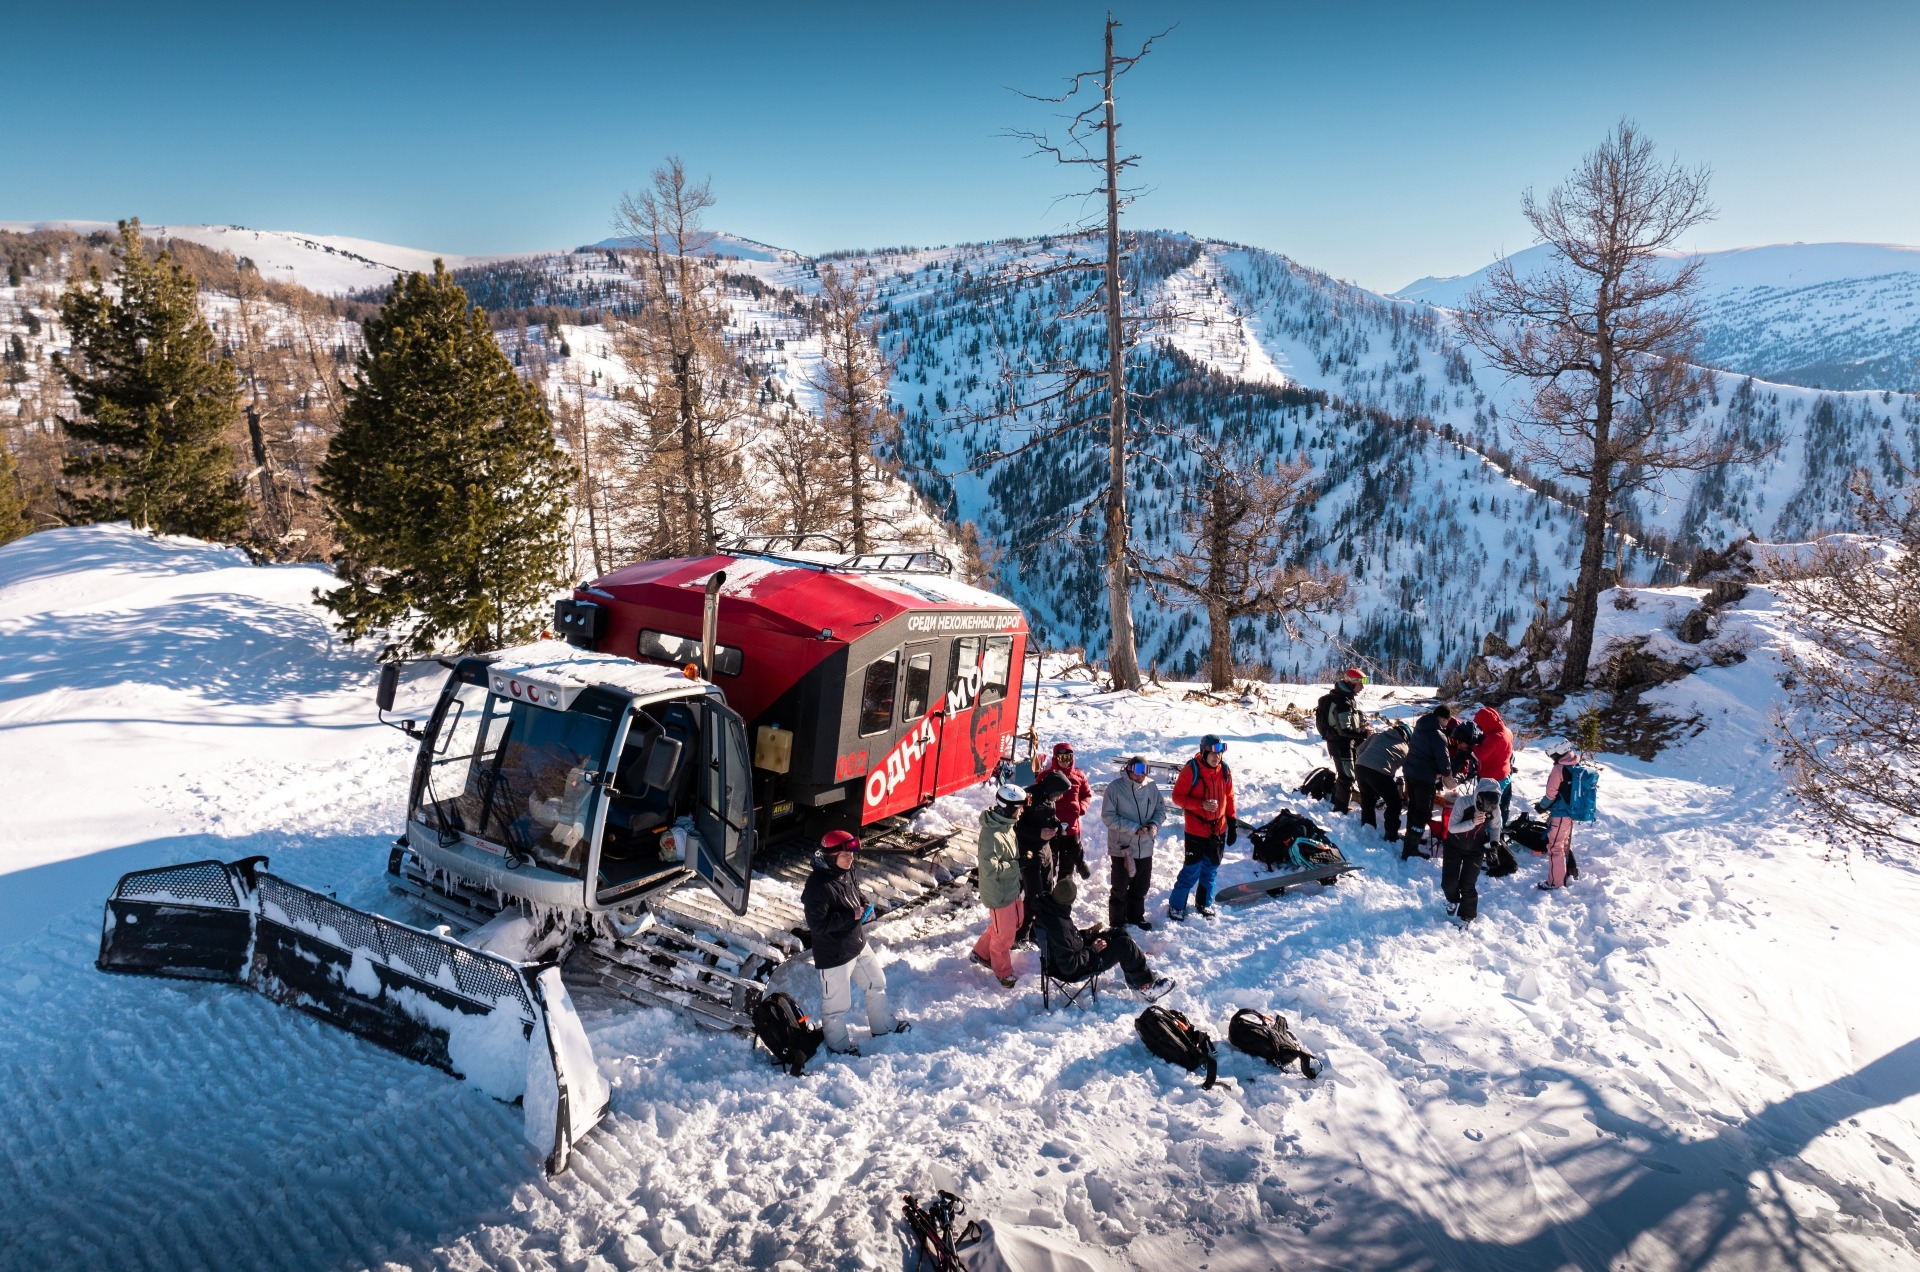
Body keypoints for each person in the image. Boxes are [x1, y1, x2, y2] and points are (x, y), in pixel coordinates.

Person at [801, 829, 908, 1054]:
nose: (850, 858)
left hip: (857, 943)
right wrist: (852, 915)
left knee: (876, 983)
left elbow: (855, 894)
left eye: (851, 854)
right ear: (831, 857)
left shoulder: (846, 870)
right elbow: (817, 926)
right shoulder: (816, 887)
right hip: (834, 954)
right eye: (844, 855)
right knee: (836, 1006)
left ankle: (883, 1026)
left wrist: (864, 905)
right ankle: (838, 1046)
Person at [1028, 875, 1173, 1000]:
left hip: (1075, 956)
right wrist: (1093, 949)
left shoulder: (1050, 911)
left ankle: (1136, 979)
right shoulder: (1059, 925)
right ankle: (1146, 988)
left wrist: (1085, 935)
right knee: (1124, 945)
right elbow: (1069, 966)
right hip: (1077, 968)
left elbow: (1065, 941)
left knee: (1118, 933)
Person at [1169, 734, 1236, 920]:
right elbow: (1177, 797)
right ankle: (1176, 906)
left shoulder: (1225, 771)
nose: (1217, 758)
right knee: (1191, 872)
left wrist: (1232, 823)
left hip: (1218, 831)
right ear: (1203, 752)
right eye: (1213, 754)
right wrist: (1201, 805)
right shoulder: (1191, 770)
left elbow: (1230, 797)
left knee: (1210, 870)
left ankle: (1204, 903)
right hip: (1196, 832)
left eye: (1220, 754)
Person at [970, 784, 1027, 987]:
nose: (1022, 811)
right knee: (1004, 936)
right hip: (998, 893)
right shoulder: (991, 836)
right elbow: (989, 870)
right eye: (1020, 807)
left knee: (1014, 923)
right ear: (1009, 807)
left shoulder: (1006, 826)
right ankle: (1002, 972)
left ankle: (981, 952)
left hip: (1009, 887)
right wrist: (1016, 865)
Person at [1100, 756, 1164, 931]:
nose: (1142, 774)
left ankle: (1136, 917)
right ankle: (1117, 922)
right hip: (1123, 847)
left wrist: (1154, 825)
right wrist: (1133, 828)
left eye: (1146, 769)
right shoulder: (1115, 788)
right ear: (1129, 769)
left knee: (1141, 887)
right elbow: (1108, 816)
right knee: (1120, 888)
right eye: (1138, 769)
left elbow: (1160, 809)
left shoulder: (1151, 786)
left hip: (1145, 846)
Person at [1442, 777, 1505, 923]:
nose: (1488, 807)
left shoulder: (1495, 809)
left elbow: (1496, 827)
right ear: (1478, 796)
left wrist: (1493, 844)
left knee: (1468, 885)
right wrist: (1472, 822)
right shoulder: (1463, 803)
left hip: (1475, 849)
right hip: (1454, 846)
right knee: (1449, 883)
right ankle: (1452, 900)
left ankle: (1466, 917)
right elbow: (1451, 828)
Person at [1012, 780, 1067, 944]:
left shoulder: (1049, 797)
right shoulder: (1028, 797)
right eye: (1059, 793)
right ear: (1052, 789)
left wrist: (1056, 824)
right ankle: (1022, 934)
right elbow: (1015, 825)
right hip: (1029, 852)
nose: (1061, 797)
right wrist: (1038, 833)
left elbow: (1048, 816)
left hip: (1045, 850)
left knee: (1047, 890)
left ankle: (1038, 930)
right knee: (1034, 895)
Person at [1400, 705, 1455, 860]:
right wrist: (1447, 775)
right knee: (1423, 812)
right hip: (1424, 777)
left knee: (1414, 806)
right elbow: (1444, 762)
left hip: (1410, 772)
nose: (1446, 724)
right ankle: (1410, 848)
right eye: (1447, 721)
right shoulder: (1438, 734)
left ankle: (1411, 837)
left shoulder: (1421, 725)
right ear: (1443, 718)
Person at [1314, 668, 1371, 813]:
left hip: (1341, 743)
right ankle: (1340, 808)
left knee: (1345, 774)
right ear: (1352, 683)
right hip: (1340, 745)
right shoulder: (1343, 702)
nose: (1363, 687)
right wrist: (1364, 733)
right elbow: (1344, 730)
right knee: (1347, 776)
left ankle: (1336, 799)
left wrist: (1359, 726)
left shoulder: (1345, 698)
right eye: (1361, 683)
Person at [1035, 742, 1093, 881]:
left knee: (1068, 866)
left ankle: (1064, 897)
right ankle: (1047, 894)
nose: (1065, 762)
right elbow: (1036, 799)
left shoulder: (1079, 776)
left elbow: (1087, 795)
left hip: (1071, 828)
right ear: (1055, 758)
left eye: (1068, 758)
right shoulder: (1045, 776)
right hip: (1052, 828)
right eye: (1062, 758)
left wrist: (1082, 808)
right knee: (1049, 864)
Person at [1354, 719, 1411, 841]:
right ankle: (1391, 834)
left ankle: (1368, 828)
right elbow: (1409, 770)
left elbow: (1359, 750)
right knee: (1394, 803)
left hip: (1360, 767)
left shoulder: (1377, 735)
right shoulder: (1405, 748)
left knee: (1367, 798)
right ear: (1407, 737)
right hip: (1380, 772)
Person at [1535, 749, 1584, 889]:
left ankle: (1555, 883)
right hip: (1572, 811)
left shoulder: (1558, 769)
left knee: (1555, 847)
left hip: (1561, 813)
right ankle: (1570, 872)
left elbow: (1551, 794)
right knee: (1564, 843)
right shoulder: (1575, 763)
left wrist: (1541, 807)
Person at [1471, 707, 1515, 823]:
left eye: (1480, 725)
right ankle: (1502, 827)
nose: (1479, 728)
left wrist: (1474, 745)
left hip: (1491, 779)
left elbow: (1481, 755)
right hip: (1505, 774)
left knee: (1490, 808)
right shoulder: (1507, 731)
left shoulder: (1493, 738)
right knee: (1504, 805)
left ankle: (1492, 833)